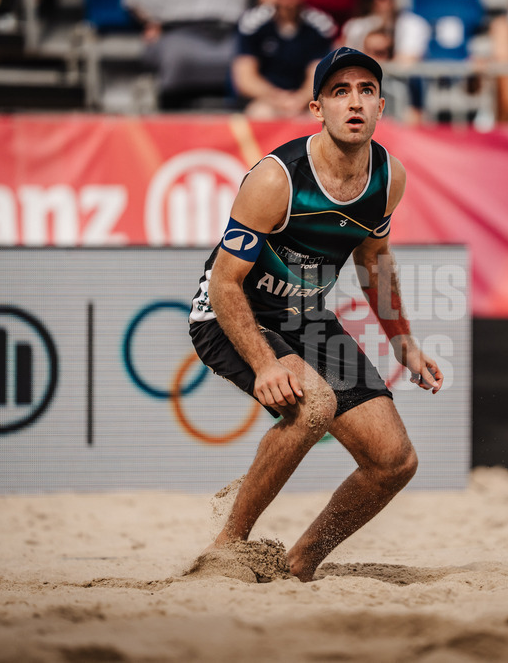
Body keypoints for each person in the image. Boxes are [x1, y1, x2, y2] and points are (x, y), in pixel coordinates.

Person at [188, 47, 444, 582]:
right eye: (340, 91)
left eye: (367, 91)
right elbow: (225, 283)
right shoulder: (276, 179)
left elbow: (374, 262)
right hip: (229, 314)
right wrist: (264, 364)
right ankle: (227, 548)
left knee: (394, 461)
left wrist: (403, 343)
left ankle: (298, 566)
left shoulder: (388, 178)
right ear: (317, 108)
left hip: (304, 317)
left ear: (381, 107)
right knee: (313, 406)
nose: (355, 102)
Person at [121, 0, 265, 110]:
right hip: (174, 29)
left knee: (255, 54)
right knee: (177, 56)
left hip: (233, 29)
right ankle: (171, 115)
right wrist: (149, 22)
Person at [232, 0, 336, 118]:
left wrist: (300, 99)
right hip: (265, 98)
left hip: (305, 98)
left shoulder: (319, 25)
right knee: (262, 114)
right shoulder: (252, 23)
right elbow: (246, 78)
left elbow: (317, 73)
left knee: (317, 116)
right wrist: (278, 98)